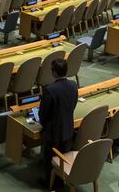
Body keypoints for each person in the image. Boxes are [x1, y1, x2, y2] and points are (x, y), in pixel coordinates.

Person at [39, 58, 78, 187]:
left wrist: (44, 125)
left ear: (54, 72)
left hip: (53, 132)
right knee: (64, 156)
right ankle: (62, 179)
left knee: (49, 158)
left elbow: (43, 114)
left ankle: (48, 183)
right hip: (68, 128)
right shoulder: (73, 85)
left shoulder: (50, 90)